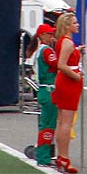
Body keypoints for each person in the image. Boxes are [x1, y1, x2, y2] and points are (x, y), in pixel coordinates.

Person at [51, 10, 83, 174]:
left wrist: (78, 51)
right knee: (66, 122)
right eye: (75, 23)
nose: (77, 25)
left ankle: (61, 156)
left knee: (63, 120)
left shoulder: (66, 42)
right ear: (68, 26)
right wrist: (76, 77)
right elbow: (61, 65)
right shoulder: (67, 43)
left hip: (67, 81)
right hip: (69, 82)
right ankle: (63, 156)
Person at [30, 21, 59, 166]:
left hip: (45, 90)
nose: (52, 36)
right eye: (49, 34)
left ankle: (45, 155)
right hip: (48, 91)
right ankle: (43, 157)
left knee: (47, 124)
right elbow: (58, 64)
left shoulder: (41, 50)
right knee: (48, 125)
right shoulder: (46, 50)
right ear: (42, 35)